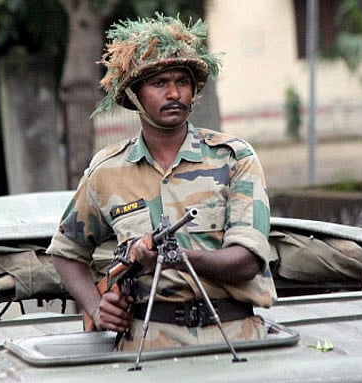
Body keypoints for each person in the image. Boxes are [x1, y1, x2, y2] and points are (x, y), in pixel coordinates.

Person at [46, 14, 276, 351]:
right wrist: (96, 307)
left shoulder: (233, 158)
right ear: (135, 95)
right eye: (159, 83)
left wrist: (172, 258)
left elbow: (246, 261)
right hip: (146, 345)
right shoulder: (108, 170)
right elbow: (66, 251)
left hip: (234, 336)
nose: (173, 93)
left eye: (182, 81)